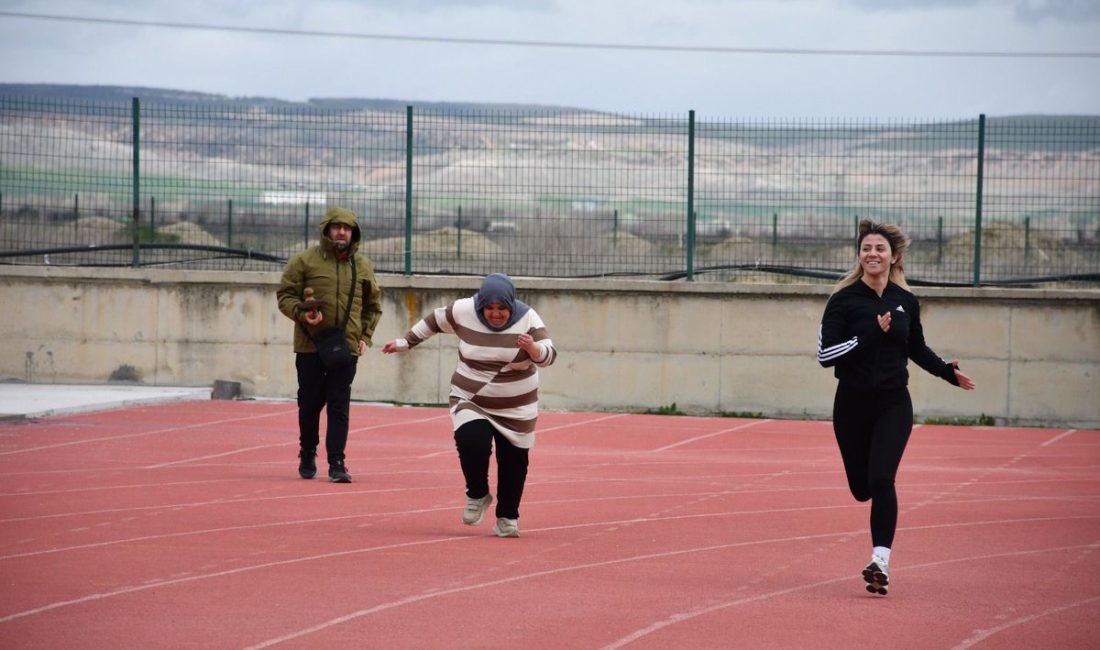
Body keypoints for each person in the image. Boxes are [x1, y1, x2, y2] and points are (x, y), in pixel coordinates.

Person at [817, 219, 975, 596]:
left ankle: (880, 561)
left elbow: (915, 347)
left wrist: (946, 372)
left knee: (882, 479)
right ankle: (875, 534)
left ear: (894, 256)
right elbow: (825, 355)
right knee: (861, 488)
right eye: (867, 248)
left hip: (893, 402)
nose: (873, 254)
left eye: (880, 249)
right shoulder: (843, 301)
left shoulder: (905, 301)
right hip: (852, 405)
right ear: (859, 255)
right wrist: (871, 332)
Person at [382, 273, 557, 538]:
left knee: (513, 461)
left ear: (512, 305)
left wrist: (533, 349)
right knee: (470, 441)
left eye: (502, 308)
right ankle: (477, 493)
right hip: (470, 395)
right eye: (489, 308)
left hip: (517, 404)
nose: (495, 314)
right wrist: (406, 342)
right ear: (480, 306)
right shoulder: (463, 310)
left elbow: (549, 355)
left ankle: (507, 517)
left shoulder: (528, 318)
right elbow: (434, 320)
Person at [276, 207, 383, 483]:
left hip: (346, 348)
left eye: (347, 228)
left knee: (338, 405)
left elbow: (373, 306)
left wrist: (365, 337)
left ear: (354, 233)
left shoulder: (363, 266)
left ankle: (337, 462)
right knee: (309, 404)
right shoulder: (304, 261)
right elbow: (285, 296)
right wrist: (302, 313)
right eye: (336, 227)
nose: (341, 232)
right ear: (326, 230)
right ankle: (307, 450)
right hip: (310, 346)